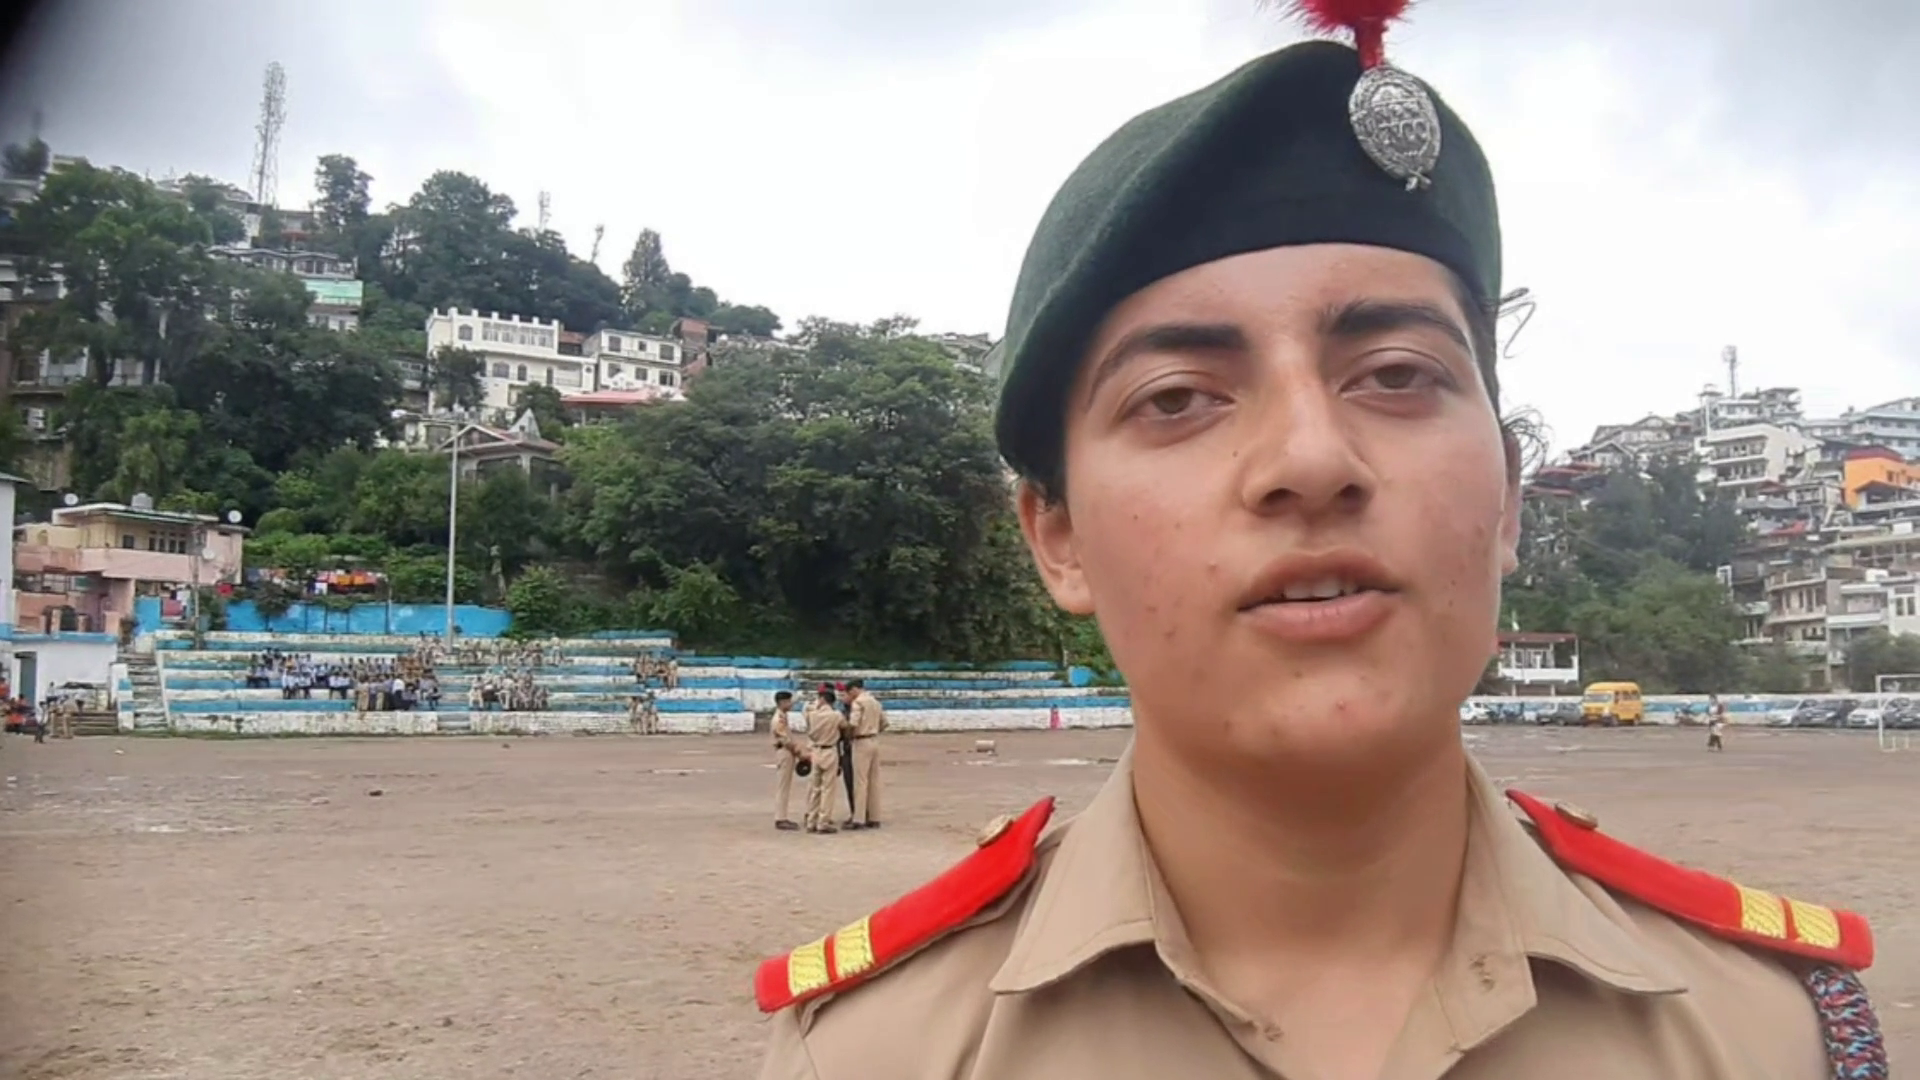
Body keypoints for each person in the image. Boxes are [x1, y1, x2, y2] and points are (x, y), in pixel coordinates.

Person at [751, 5, 1886, 1078]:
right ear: (1058, 538)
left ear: (1507, 505)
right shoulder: (875, 1052)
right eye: (1179, 397)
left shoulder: (1778, 1036)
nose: (1311, 459)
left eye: (1397, 375)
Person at [843, 679, 887, 830]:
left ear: (854, 689)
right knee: (874, 780)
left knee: (860, 781)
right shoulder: (875, 702)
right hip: (874, 739)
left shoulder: (858, 703)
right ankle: (874, 817)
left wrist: (849, 735)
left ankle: (859, 818)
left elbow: (853, 724)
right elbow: (884, 723)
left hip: (861, 741)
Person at [802, 686, 846, 835]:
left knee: (815, 788)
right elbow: (846, 728)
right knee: (828, 789)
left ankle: (811, 820)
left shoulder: (812, 714)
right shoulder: (836, 715)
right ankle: (823, 821)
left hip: (816, 750)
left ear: (822, 700)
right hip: (829, 750)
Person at [771, 690, 805, 831]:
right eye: (789, 701)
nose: (791, 704)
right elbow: (785, 739)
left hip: (786, 751)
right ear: (783, 702)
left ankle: (782, 817)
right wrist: (798, 752)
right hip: (784, 752)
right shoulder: (779, 718)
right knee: (783, 786)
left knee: (784, 785)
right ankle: (781, 818)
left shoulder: (783, 716)